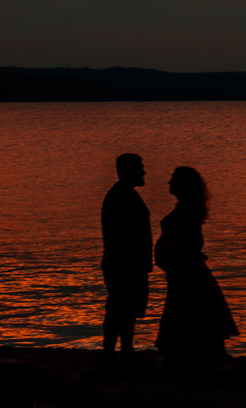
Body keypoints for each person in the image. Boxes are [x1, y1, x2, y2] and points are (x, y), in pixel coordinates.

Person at [155, 166, 238, 365]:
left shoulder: (187, 211)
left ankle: (186, 355)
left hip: (185, 269)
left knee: (187, 310)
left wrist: (185, 255)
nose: (169, 182)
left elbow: (194, 239)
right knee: (188, 310)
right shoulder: (184, 208)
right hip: (180, 268)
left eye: (174, 179)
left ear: (185, 185)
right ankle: (188, 354)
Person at [101, 153, 153, 361]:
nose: (144, 172)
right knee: (118, 308)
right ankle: (110, 353)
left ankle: (125, 351)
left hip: (132, 263)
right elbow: (116, 231)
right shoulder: (118, 196)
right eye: (140, 168)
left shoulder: (129, 194)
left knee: (128, 310)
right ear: (128, 171)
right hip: (123, 265)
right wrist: (127, 262)